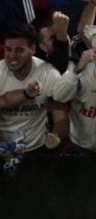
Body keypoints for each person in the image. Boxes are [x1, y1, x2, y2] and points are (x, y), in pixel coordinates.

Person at [0, 23, 65, 152]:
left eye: (19, 50)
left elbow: (60, 114)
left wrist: (56, 136)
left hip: (38, 150)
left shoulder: (49, 73)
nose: (12, 56)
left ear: (33, 49)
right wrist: (3, 147)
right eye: (8, 50)